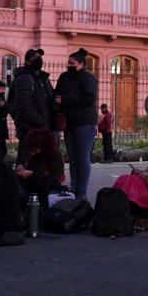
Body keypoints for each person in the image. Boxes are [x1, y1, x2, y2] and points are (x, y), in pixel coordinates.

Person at [54, 49, 98, 201]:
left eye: (72, 64)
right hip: (69, 122)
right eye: (68, 63)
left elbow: (89, 99)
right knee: (72, 157)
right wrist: (57, 100)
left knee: (82, 157)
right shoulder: (64, 77)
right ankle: (74, 187)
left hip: (85, 122)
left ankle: (82, 190)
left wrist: (65, 99)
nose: (69, 66)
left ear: (81, 64)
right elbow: (57, 94)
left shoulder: (88, 78)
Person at [8, 48, 54, 164]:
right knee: (27, 160)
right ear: (28, 61)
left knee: (38, 161)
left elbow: (49, 98)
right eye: (36, 58)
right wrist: (41, 122)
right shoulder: (25, 78)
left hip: (41, 127)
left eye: (40, 58)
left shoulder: (42, 78)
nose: (40, 60)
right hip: (30, 128)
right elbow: (24, 105)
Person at [16, 127, 66, 210]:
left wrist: (32, 174)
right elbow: (22, 163)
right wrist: (20, 167)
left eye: (34, 150)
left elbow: (54, 180)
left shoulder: (54, 157)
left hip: (44, 192)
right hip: (28, 186)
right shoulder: (29, 153)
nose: (31, 153)